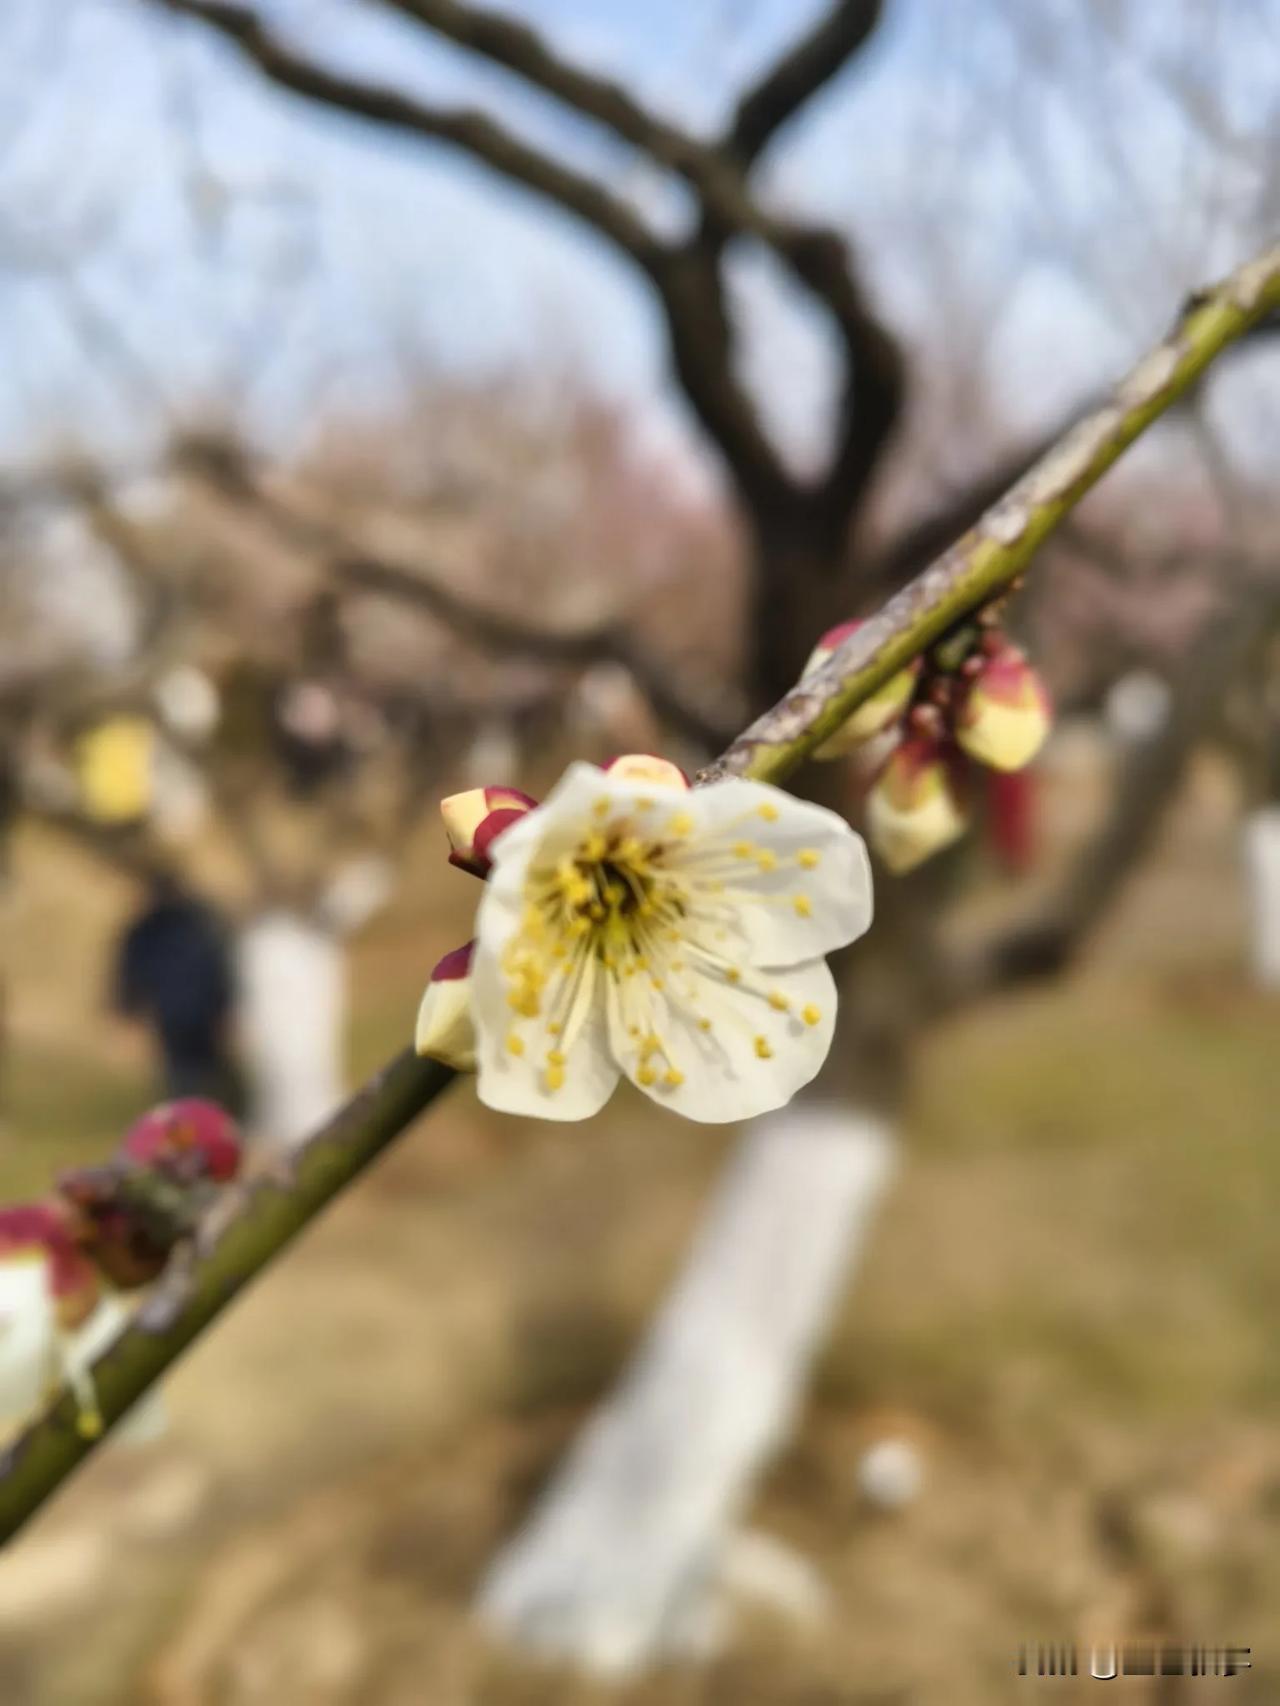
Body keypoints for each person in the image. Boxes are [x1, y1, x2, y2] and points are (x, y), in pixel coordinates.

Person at [111, 869, 244, 1113]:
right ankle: (190, 1120)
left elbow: (221, 969)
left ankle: (204, 1117)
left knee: (203, 1071)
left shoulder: (192, 923)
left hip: (194, 1012)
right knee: (186, 1073)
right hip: (179, 1012)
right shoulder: (156, 928)